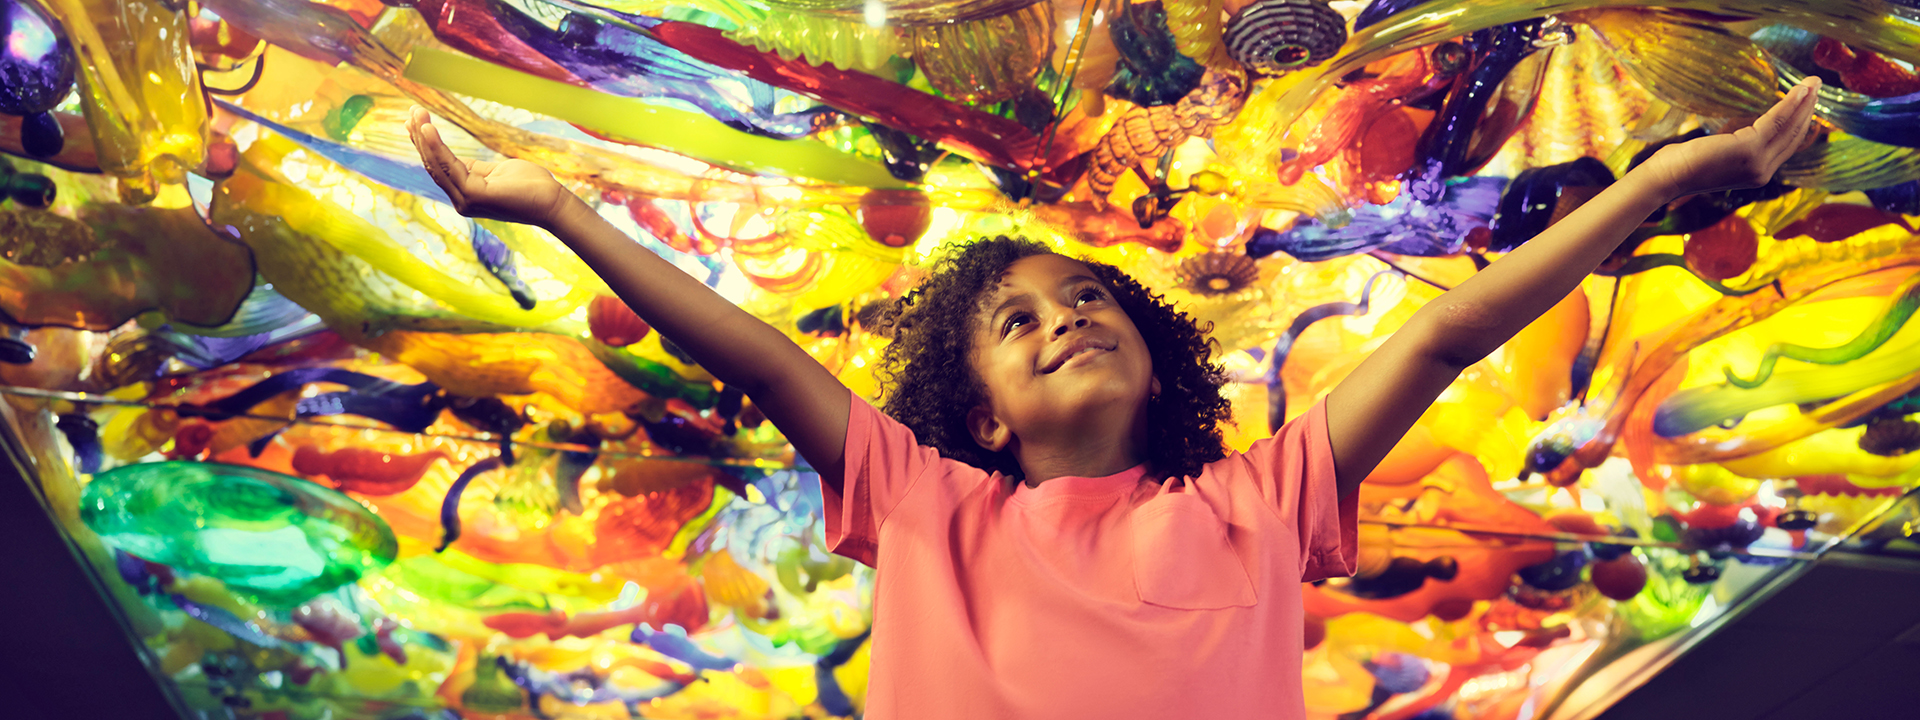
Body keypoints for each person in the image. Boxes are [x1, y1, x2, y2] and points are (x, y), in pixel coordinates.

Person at [406, 75, 1821, 718]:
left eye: (1089, 299)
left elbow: (1449, 332)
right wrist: (556, 208)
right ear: (980, 420)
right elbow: (762, 360)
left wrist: (1664, 182)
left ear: (1156, 350)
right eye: (1017, 321)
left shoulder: (1260, 501)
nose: (1067, 317)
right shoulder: (925, 504)